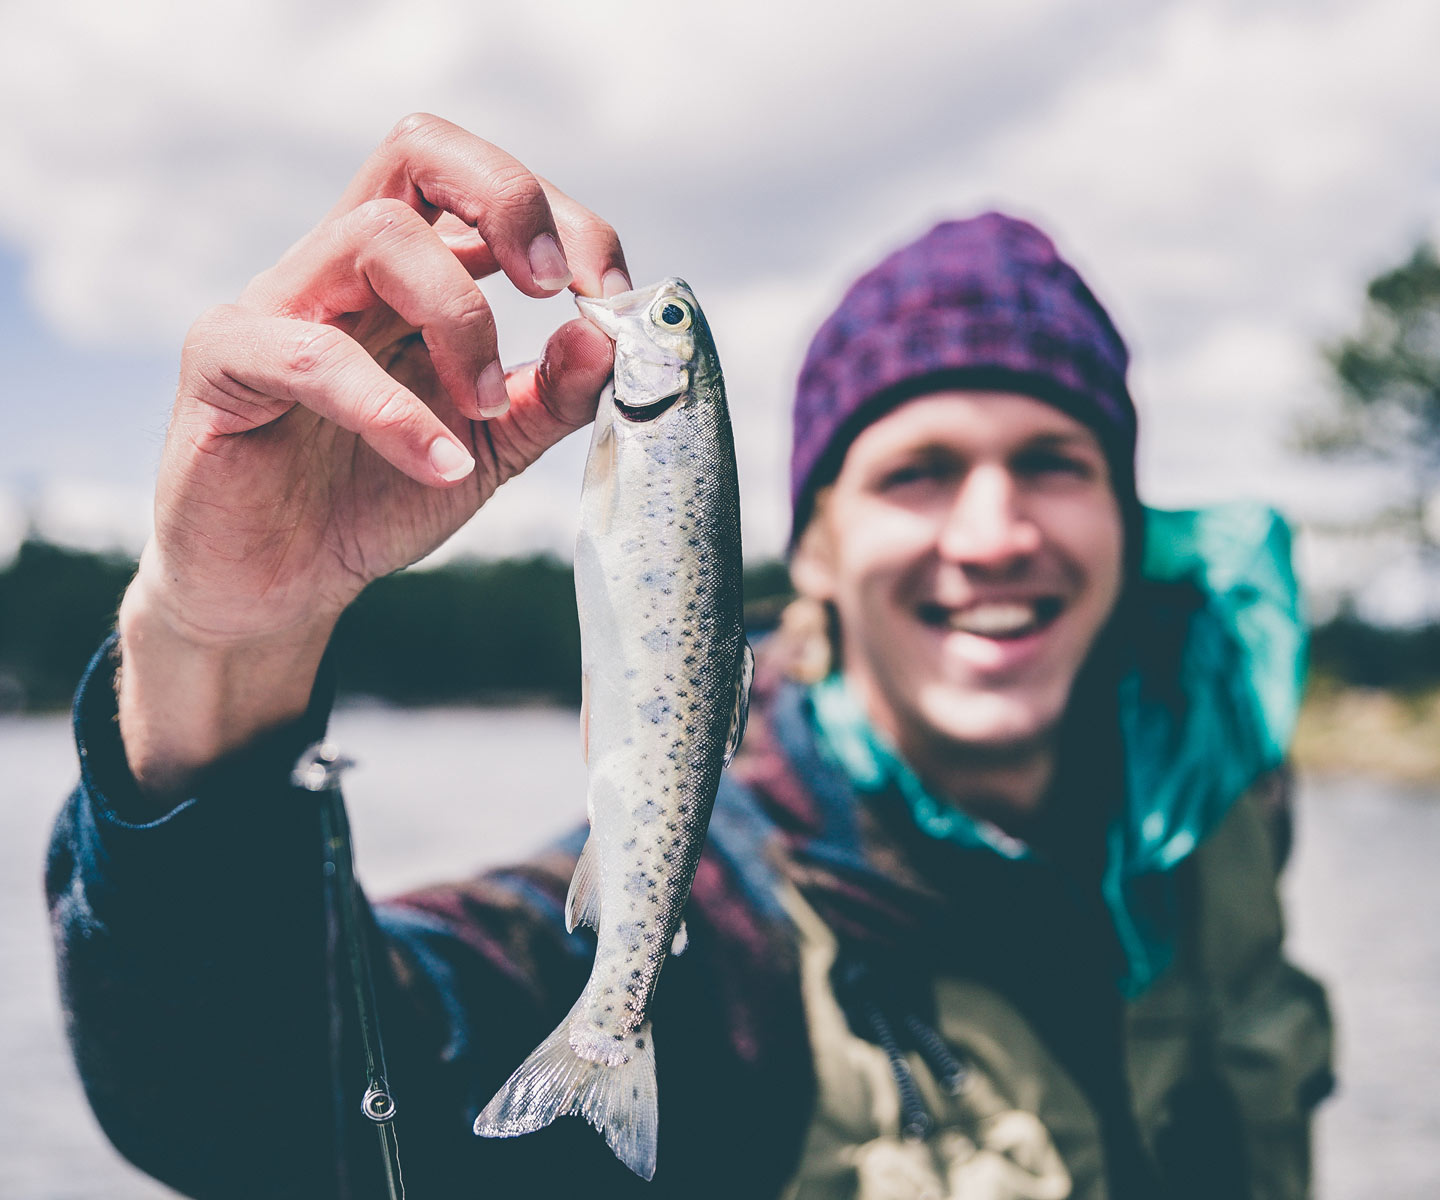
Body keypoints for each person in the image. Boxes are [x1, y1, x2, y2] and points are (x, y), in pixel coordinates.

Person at [47, 115, 1333, 1199]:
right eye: (919, 473)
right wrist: (221, 645)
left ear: (1128, 520)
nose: (992, 536)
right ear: (815, 548)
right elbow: (244, 1099)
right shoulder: (728, 944)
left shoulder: (1217, 821)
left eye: (1054, 464)